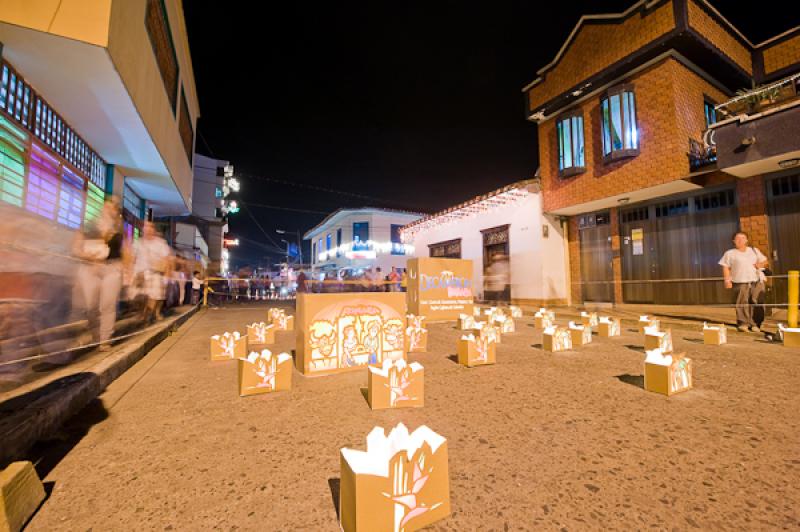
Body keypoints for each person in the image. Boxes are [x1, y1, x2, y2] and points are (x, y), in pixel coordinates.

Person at [74, 198, 124, 350]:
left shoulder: (119, 229)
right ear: (104, 206)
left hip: (112, 268)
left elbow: (125, 251)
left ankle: (104, 339)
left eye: (116, 206)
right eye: (110, 204)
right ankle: (95, 335)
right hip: (89, 268)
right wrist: (88, 256)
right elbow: (76, 248)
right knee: (91, 306)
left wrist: (126, 270)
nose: (112, 208)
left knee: (108, 305)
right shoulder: (88, 225)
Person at [719, 231, 768, 333]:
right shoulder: (729, 253)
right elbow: (725, 267)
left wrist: (761, 264)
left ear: (746, 240)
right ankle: (743, 323)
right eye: (737, 238)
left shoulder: (754, 250)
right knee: (742, 302)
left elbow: (765, 261)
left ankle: (756, 324)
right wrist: (727, 280)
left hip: (757, 280)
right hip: (739, 281)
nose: (740, 240)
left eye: (743, 238)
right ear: (734, 241)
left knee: (757, 302)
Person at [134, 221, 173, 323]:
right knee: (139, 296)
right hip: (140, 273)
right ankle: (144, 313)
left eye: (150, 227)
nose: (147, 229)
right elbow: (132, 257)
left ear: (153, 229)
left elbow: (167, 259)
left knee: (157, 296)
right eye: (145, 227)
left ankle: (153, 314)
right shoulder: (138, 242)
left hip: (155, 273)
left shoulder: (160, 243)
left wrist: (167, 274)